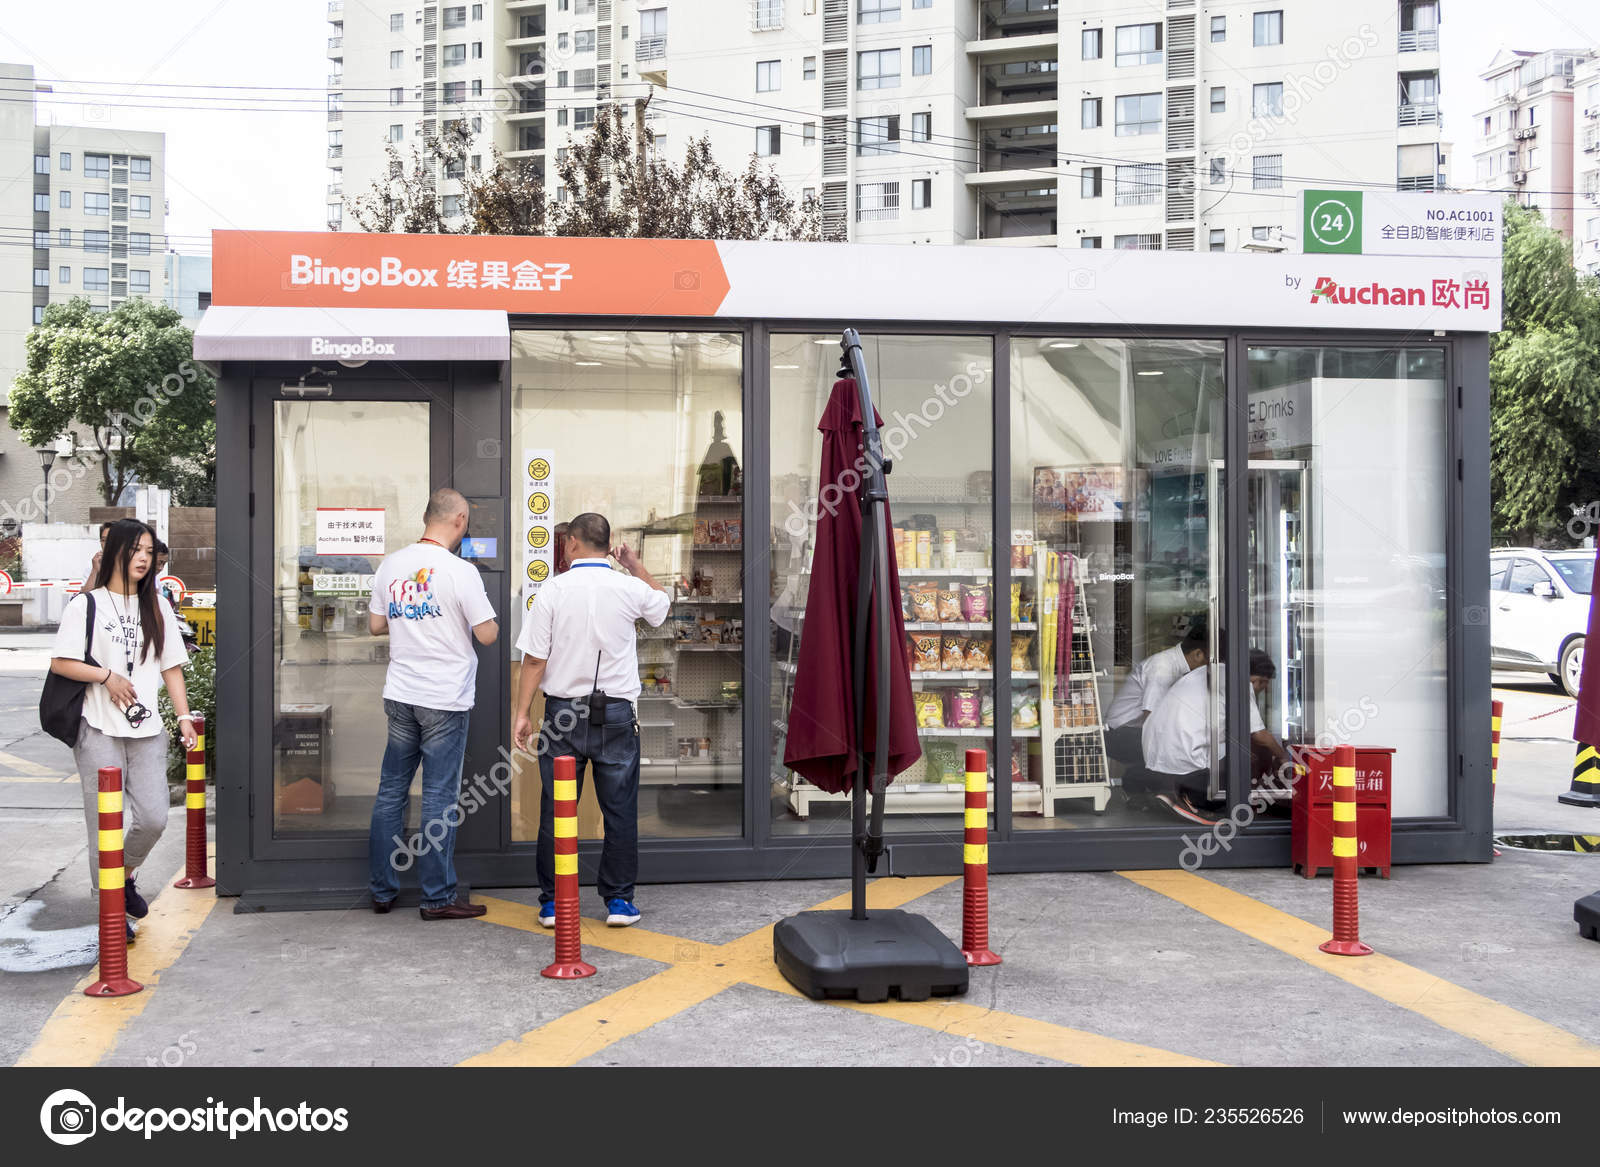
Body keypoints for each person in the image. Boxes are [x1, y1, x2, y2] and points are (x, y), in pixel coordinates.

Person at [512, 513, 669, 928]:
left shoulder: (553, 590)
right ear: (609, 543)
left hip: (563, 714)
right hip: (616, 715)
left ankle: (552, 903)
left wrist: (522, 713)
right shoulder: (628, 587)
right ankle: (619, 903)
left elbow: (533, 659)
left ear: (574, 544)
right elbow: (662, 606)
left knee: (556, 808)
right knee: (619, 810)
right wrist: (635, 566)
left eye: (567, 542)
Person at [50, 519, 195, 943]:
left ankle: (125, 876)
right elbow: (61, 663)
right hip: (97, 729)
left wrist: (183, 716)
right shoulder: (87, 605)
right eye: (136, 550)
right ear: (115, 551)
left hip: (146, 728)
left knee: (152, 818)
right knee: (103, 827)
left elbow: (171, 666)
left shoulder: (158, 606)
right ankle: (111, 913)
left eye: (149, 551)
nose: (144, 558)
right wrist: (107, 676)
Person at [367, 488, 499, 920]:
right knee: (439, 797)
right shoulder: (460, 571)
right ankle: (437, 897)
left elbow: (374, 625)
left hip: (401, 694)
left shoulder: (392, 565)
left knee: (391, 792)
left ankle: (382, 892)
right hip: (444, 697)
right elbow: (487, 634)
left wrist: (415, 623)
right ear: (459, 519)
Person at [1137, 647, 1294, 825]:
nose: (1263, 689)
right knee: (1249, 751)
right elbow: (1259, 735)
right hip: (1182, 758)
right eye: (1262, 682)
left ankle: (1169, 789)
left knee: (1236, 742)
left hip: (1154, 754)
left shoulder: (1209, 671)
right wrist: (1284, 757)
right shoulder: (1238, 681)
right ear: (1250, 675)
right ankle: (1192, 797)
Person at [1103, 619, 1211, 768]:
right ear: (1198, 654)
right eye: (1210, 662)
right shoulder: (1163, 668)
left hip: (1136, 731)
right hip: (1122, 734)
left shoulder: (1178, 668)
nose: (1211, 669)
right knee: (1183, 753)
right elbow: (1152, 720)